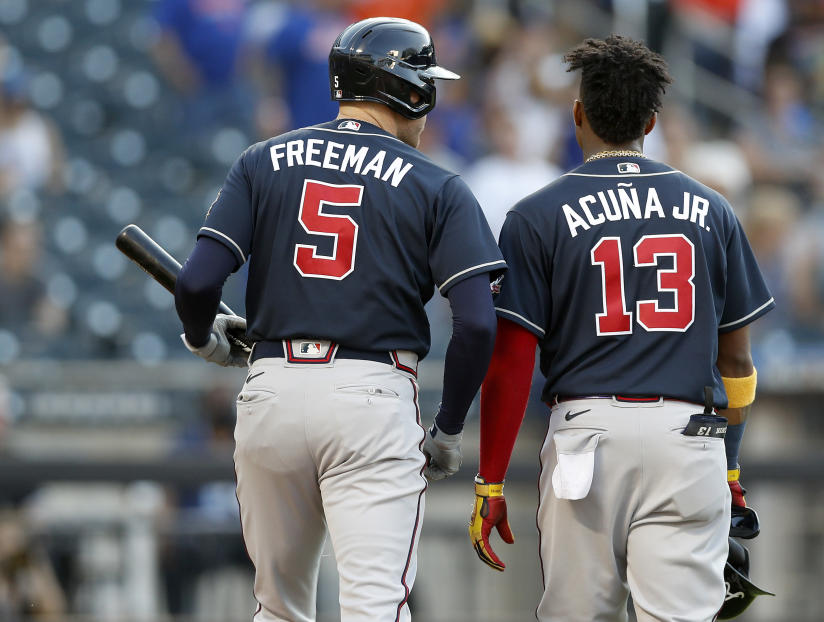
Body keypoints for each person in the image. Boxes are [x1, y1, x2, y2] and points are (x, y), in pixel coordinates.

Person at [173, 17, 505, 622]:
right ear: (409, 90)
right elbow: (478, 323)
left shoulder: (262, 159)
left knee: (277, 607)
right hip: (371, 398)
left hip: (271, 391)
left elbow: (198, 280)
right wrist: (449, 428)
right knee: (375, 608)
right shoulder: (437, 183)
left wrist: (204, 338)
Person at [469, 35, 774, 621]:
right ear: (652, 121)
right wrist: (731, 467)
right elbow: (736, 362)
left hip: (588, 435)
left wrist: (490, 482)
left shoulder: (536, 213)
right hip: (690, 440)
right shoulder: (711, 208)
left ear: (577, 113)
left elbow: (511, 361)